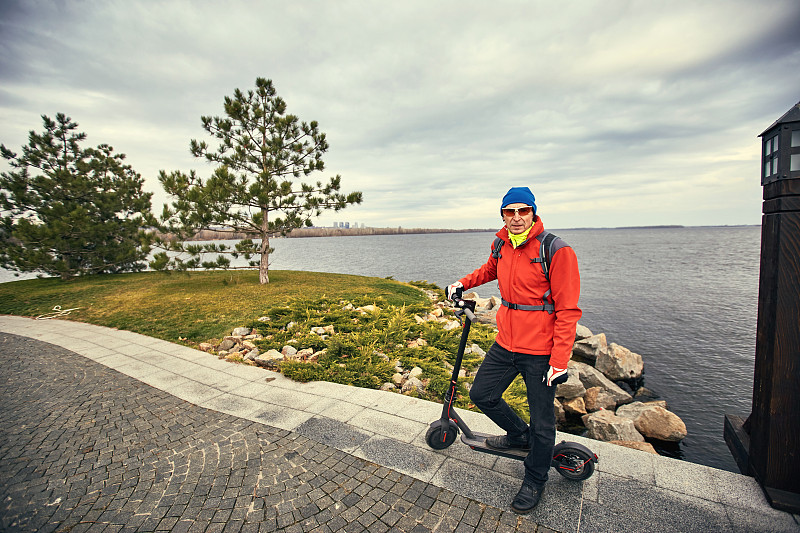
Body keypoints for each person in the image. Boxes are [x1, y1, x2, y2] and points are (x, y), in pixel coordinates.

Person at [445, 186, 581, 514]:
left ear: (533, 212)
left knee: (544, 420)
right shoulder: (501, 244)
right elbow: (489, 270)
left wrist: (560, 359)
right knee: (483, 394)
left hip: (541, 352)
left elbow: (568, 311)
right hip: (505, 343)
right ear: (503, 215)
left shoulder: (556, 250)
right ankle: (519, 434)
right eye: (510, 211)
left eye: (523, 211)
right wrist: (462, 283)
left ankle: (535, 478)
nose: (517, 217)